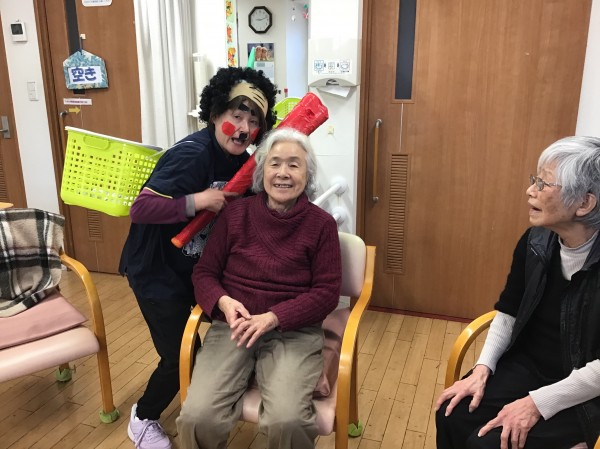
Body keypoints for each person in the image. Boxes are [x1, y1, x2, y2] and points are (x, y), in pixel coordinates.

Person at [119, 66, 277, 449]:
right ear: (215, 114)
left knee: (234, 324)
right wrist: (197, 201)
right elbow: (140, 208)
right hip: (155, 272)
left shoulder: (241, 160)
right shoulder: (192, 155)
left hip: (193, 269)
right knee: (181, 355)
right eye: (236, 116)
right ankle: (143, 418)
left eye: (253, 121)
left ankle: (222, 392)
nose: (244, 129)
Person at [176, 128, 342, 449]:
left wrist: (274, 317)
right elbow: (204, 273)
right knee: (197, 417)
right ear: (261, 171)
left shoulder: (321, 225)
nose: (283, 172)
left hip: (292, 331)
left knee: (288, 420)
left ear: (307, 174)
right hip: (234, 325)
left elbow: (326, 293)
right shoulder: (235, 214)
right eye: (274, 163)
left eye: (294, 164)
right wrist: (223, 302)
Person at [435, 136, 600, 449]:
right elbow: (509, 311)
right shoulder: (536, 241)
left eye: (543, 183)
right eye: (534, 179)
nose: (530, 190)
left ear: (584, 203)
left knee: (487, 444)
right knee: (451, 414)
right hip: (530, 366)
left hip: (586, 394)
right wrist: (482, 369)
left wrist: (537, 403)